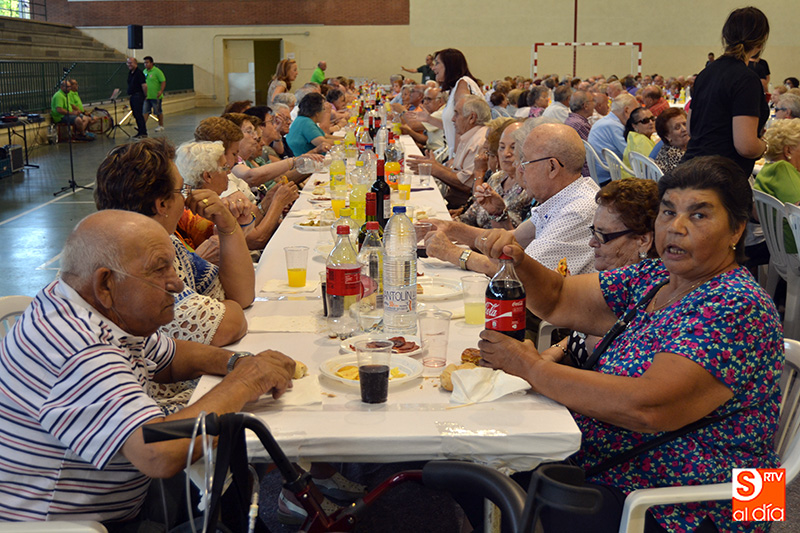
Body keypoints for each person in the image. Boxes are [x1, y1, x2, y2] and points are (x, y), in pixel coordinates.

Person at [476, 155, 782, 533]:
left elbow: (648, 407)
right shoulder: (657, 277)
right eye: (668, 212)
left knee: (488, 481)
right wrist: (518, 261)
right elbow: (557, 298)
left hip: (700, 503)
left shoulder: (737, 304)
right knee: (482, 464)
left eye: (699, 215)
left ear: (736, 230)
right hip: (617, 468)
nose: (676, 227)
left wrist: (531, 367)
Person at [0, 209, 295, 525]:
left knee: (228, 481)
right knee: (227, 474)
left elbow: (170, 356)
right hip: (70, 526)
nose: (177, 283)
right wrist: (245, 382)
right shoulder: (79, 349)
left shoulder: (82, 304)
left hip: (120, 497)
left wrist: (237, 363)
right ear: (105, 283)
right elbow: (158, 452)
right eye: (159, 269)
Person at [94, 138, 254, 350]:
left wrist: (227, 224)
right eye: (181, 191)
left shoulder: (168, 242)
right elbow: (227, 326)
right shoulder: (132, 259)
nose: (187, 199)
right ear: (161, 204)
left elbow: (242, 295)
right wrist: (224, 308)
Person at [424, 122, 599, 277]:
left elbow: (520, 273)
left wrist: (451, 253)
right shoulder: (563, 198)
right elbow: (512, 239)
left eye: (525, 163)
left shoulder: (577, 210)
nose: (519, 170)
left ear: (552, 167)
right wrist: (450, 228)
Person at [543, 178, 659, 366]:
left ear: (642, 241)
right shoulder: (612, 281)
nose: (592, 242)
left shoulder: (647, 298)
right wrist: (557, 350)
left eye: (602, 235)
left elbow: (598, 354)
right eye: (593, 231)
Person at [683, 7, 770, 177]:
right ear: (760, 44)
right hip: (720, 176)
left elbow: (691, 128)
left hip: (691, 168)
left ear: (726, 37)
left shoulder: (706, 73)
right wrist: (765, 146)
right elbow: (746, 146)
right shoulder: (746, 79)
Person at [176, 139, 299, 254]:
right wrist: (278, 203)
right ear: (208, 176)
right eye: (224, 168)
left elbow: (248, 226)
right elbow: (256, 240)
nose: (229, 172)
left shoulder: (203, 198)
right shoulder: (203, 209)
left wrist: (268, 200)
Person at [407, 95, 490, 209]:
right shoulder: (470, 135)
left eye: (457, 114)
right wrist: (435, 165)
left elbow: (467, 185)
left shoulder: (480, 141)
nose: (452, 119)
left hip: (460, 206)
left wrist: (435, 169)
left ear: (471, 118)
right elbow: (460, 174)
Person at [409, 48, 482, 159]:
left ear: (449, 65)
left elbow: (465, 126)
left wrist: (456, 157)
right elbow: (452, 126)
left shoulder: (462, 85)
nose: (433, 68)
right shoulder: (456, 88)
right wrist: (428, 119)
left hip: (467, 155)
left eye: (437, 63)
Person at [459, 119, 531, 230]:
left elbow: (519, 237)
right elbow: (468, 217)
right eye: (502, 147)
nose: (505, 153)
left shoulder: (530, 188)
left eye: (513, 147)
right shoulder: (497, 178)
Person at [754, 118, 800, 253]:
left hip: (780, 250)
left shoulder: (768, 169)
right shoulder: (783, 169)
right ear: (788, 151)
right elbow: (798, 206)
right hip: (794, 248)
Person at [587, 92, 639, 183]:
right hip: (610, 177)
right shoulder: (614, 126)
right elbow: (631, 154)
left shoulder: (606, 121)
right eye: (635, 112)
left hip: (602, 174)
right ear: (626, 110)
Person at [622, 107, 656, 177]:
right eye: (645, 121)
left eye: (652, 118)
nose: (651, 122)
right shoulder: (642, 141)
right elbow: (653, 169)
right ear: (634, 126)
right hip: (639, 181)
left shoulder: (634, 137)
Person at [653, 107, 690, 173]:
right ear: (667, 136)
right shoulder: (676, 156)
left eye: (685, 124)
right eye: (677, 127)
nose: (684, 129)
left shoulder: (666, 148)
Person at [142, 55, 166, 132]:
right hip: (147, 96)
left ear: (151, 63)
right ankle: (142, 126)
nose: (145, 64)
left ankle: (161, 125)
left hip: (156, 96)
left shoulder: (157, 71)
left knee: (158, 111)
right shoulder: (144, 72)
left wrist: (161, 91)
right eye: (144, 63)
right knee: (145, 111)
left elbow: (163, 81)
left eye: (147, 63)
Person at [126, 57, 148, 138]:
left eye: (130, 63)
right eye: (128, 63)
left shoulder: (139, 73)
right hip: (133, 95)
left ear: (135, 63)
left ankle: (143, 132)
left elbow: (144, 85)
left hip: (138, 95)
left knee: (138, 114)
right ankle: (140, 131)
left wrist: (145, 95)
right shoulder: (130, 73)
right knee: (135, 114)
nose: (129, 65)